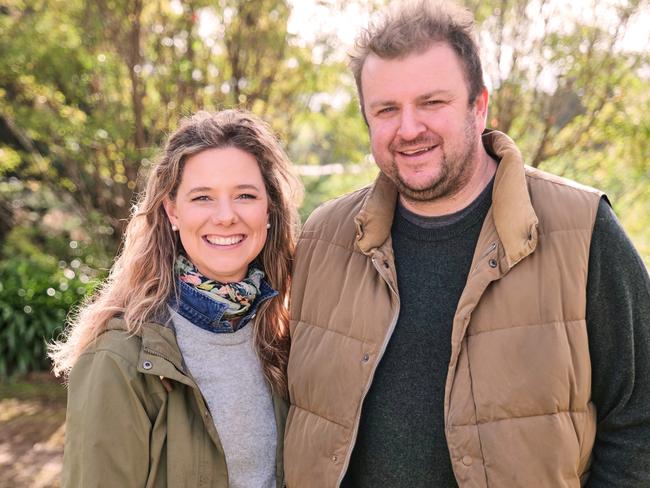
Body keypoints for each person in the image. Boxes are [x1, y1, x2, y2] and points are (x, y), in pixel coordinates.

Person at [284, 1, 650, 487]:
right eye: (387, 110)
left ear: (479, 105)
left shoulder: (581, 229)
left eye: (432, 103)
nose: (408, 129)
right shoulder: (323, 239)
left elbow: (639, 418)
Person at [49, 109, 302, 487]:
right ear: (172, 211)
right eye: (202, 197)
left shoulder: (284, 335)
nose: (226, 216)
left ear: (269, 210)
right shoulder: (120, 359)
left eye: (245, 195)